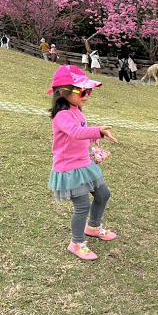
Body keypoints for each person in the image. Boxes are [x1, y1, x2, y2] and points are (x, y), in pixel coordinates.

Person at [47, 65, 118, 261]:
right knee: (82, 206)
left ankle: (93, 227)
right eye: (82, 91)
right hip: (69, 168)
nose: (87, 95)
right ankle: (76, 243)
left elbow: (81, 134)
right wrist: (98, 131)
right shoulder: (62, 116)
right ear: (63, 92)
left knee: (103, 194)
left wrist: (94, 143)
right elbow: (76, 132)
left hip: (85, 164)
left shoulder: (77, 110)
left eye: (89, 91)